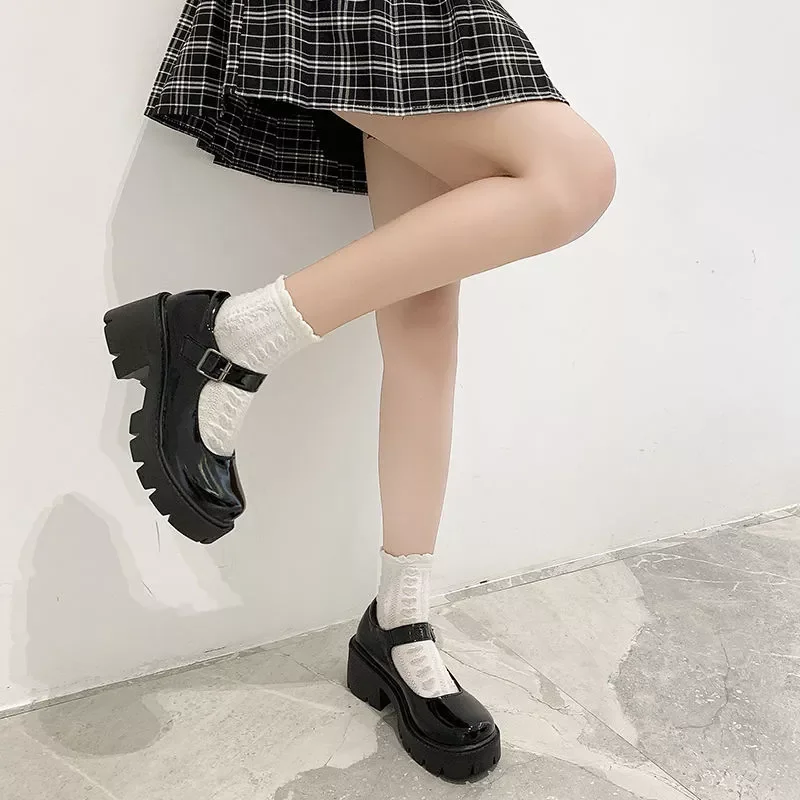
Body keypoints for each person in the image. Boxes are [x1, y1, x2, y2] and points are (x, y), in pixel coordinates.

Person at [104, 0, 615, 780]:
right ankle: (236, 336)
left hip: (440, 15)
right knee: (576, 175)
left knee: (422, 318)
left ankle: (399, 622)